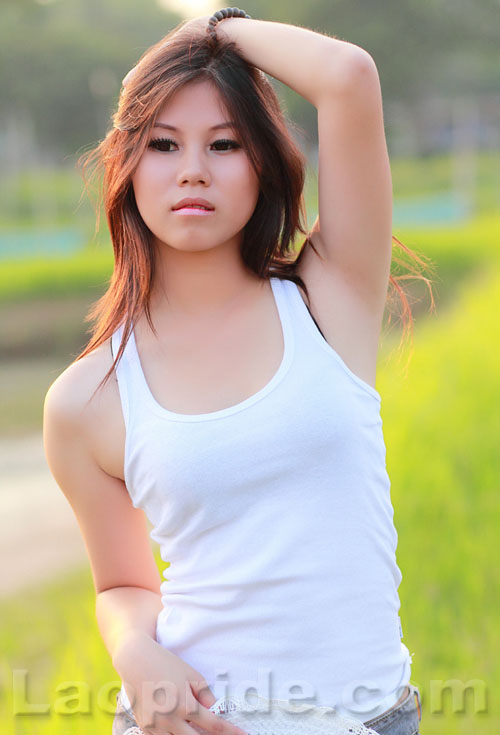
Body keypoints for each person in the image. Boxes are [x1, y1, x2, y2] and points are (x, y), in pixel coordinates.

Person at [43, 9, 431, 735]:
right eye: (163, 144)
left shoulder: (328, 298)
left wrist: (210, 33)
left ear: (261, 167)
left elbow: (349, 78)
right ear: (128, 169)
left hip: (367, 717)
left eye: (224, 144)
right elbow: (123, 583)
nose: (193, 167)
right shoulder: (87, 397)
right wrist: (133, 652)